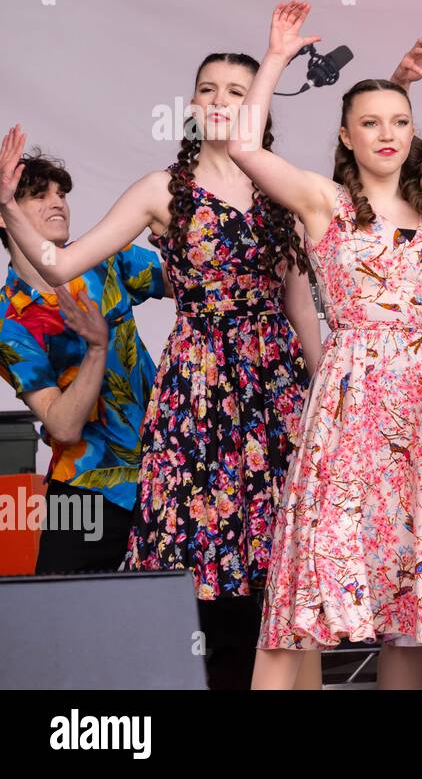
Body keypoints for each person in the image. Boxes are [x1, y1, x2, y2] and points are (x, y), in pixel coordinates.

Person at [0, 50, 321, 690]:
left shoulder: (281, 188)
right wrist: (7, 206)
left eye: (238, 88)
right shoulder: (160, 192)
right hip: (198, 395)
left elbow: (300, 297)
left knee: (284, 565)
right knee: (201, 562)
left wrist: (326, 393)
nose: (221, 99)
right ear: (193, 107)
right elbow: (59, 265)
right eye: (207, 89)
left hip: (274, 388)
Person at [233, 3, 422, 690]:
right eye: (371, 124)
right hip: (353, 393)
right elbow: (243, 148)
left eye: (401, 123)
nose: (387, 135)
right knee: (312, 573)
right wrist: (275, 59)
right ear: (346, 138)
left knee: (412, 594)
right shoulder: (324, 201)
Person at [0, 145, 167, 573]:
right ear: (5, 216)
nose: (57, 201)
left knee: (180, 617)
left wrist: (181, 243)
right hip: (83, 496)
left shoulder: (106, 261)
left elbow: (200, 286)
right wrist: (97, 349)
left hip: (163, 473)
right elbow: (63, 425)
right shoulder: (9, 323)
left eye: (61, 193)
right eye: (38, 194)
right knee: (67, 626)